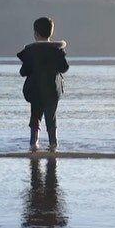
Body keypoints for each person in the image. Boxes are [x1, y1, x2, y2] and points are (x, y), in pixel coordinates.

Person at [16, 17, 69, 151]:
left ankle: (34, 144)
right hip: (52, 90)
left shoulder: (31, 51)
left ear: (36, 34)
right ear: (51, 32)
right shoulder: (57, 50)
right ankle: (53, 145)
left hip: (35, 91)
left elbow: (24, 72)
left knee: (35, 117)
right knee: (51, 118)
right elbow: (64, 68)